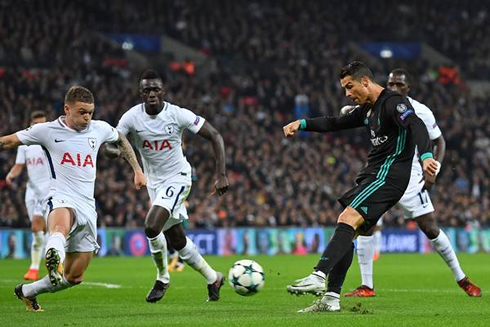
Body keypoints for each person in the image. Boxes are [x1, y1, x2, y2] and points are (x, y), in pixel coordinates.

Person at [283, 61, 439, 313]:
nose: (347, 94)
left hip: (388, 175)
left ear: (365, 81)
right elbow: (334, 123)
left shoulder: (392, 103)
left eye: (349, 86)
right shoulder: (368, 110)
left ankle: (318, 275)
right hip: (373, 175)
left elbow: (416, 125)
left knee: (347, 217)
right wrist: (301, 123)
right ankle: (331, 299)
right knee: (348, 229)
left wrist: (426, 156)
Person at [0, 86, 146, 312]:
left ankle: (27, 291)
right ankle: (54, 257)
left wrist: (137, 169)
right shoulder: (46, 130)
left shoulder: (99, 129)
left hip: (88, 205)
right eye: (81, 112)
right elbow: (8, 141)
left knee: (74, 277)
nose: (87, 117)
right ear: (67, 109)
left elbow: (122, 140)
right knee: (60, 226)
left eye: (90, 112)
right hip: (60, 196)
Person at [343, 68, 481, 298]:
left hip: (411, 176)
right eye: (391, 84)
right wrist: (348, 111)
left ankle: (462, 279)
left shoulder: (421, 111)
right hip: (383, 175)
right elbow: (353, 113)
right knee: (366, 225)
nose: (394, 88)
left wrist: (433, 168)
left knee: (430, 228)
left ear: (408, 88)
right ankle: (367, 286)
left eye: (399, 84)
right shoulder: (377, 103)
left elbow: (440, 141)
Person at [106, 69, 229, 303]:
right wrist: (117, 151)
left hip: (178, 178)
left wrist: (221, 174)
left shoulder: (177, 114)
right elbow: (111, 144)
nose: (151, 93)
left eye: (155, 89)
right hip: (155, 184)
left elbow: (215, 136)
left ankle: (162, 278)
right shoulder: (131, 117)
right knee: (177, 240)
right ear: (140, 93)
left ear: (163, 91)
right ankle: (213, 278)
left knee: (152, 227)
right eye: (146, 90)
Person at [6, 111, 51, 281]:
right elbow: (19, 165)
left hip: (49, 191)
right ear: (31, 124)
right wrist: (11, 175)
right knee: (37, 231)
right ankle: (39, 267)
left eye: (43, 123)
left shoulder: (49, 142)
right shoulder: (25, 144)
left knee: (43, 229)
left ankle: (36, 267)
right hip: (32, 191)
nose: (40, 126)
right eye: (37, 123)